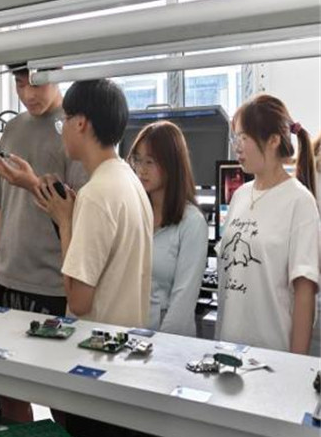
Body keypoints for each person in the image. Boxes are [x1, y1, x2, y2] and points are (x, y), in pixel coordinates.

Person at [0, 64, 87, 423]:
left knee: (61, 396)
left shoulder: (74, 129)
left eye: (36, 84)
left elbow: (78, 211)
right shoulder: (11, 129)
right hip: (7, 279)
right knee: (9, 388)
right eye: (20, 85)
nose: (28, 94)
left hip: (52, 283)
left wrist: (32, 181)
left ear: (57, 72)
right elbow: (1, 206)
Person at [34, 78, 152, 328]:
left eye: (64, 120)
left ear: (80, 123)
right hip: (126, 337)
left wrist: (65, 223)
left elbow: (79, 302)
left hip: (96, 342)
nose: (62, 130)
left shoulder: (95, 194)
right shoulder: (129, 179)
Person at [217, 94, 319, 354]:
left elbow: (305, 293)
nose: (237, 147)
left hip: (272, 355)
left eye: (244, 138)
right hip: (227, 349)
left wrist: (295, 365)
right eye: (235, 138)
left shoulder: (299, 201)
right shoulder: (240, 196)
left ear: (273, 140)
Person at [128, 121, 208, 336]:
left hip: (167, 341)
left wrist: (159, 347)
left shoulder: (192, 222)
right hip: (129, 335)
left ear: (172, 164)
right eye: (137, 160)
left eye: (150, 161)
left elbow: (182, 302)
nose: (141, 170)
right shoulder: (134, 213)